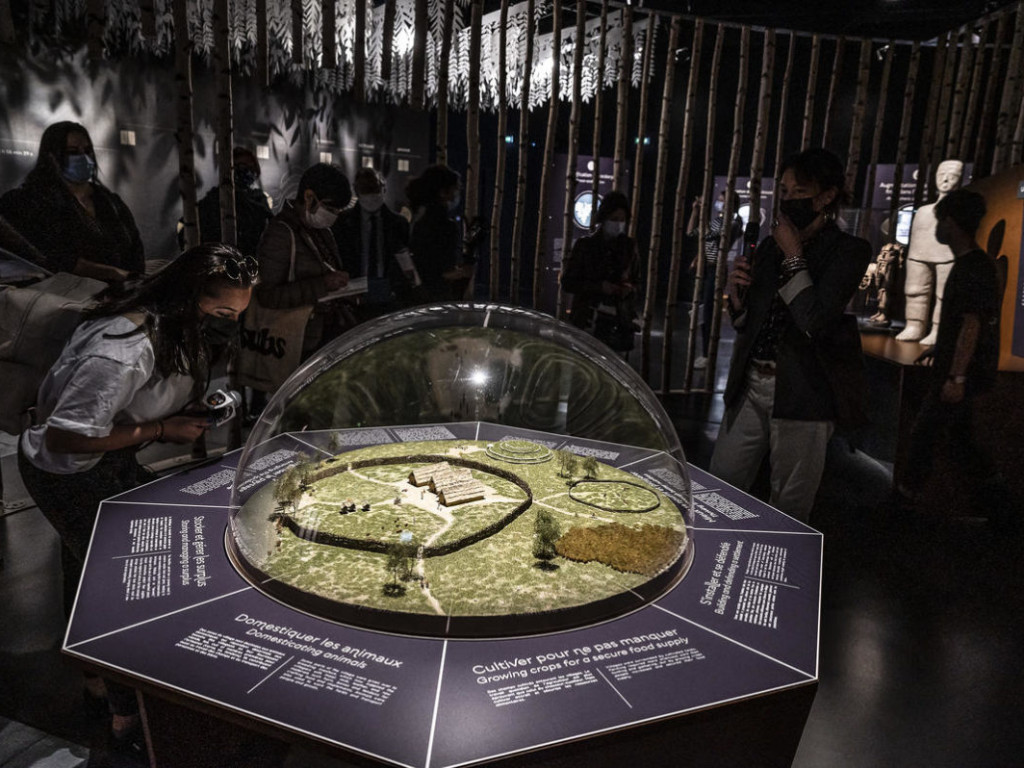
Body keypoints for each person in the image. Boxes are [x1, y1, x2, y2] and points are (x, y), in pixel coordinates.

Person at [16, 243, 254, 749]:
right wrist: (160, 429)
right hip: (65, 470)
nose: (228, 324)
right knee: (116, 583)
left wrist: (184, 411)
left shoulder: (173, 329)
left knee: (82, 563)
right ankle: (127, 717)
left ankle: (93, 680)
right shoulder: (120, 349)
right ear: (188, 298)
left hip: (106, 456)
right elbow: (66, 437)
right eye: (223, 313)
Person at [708, 148, 871, 521]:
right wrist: (736, 299)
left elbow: (813, 320)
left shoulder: (848, 251)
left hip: (804, 391)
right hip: (752, 384)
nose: (788, 200)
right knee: (720, 485)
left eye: (799, 191)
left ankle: (774, 572)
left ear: (827, 196)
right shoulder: (769, 245)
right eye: (783, 191)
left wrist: (794, 255)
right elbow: (751, 322)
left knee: (790, 504)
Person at [899, 189, 1010, 522]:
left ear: (952, 221)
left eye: (940, 220)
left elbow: (973, 324)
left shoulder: (972, 268)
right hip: (958, 370)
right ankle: (1000, 507)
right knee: (961, 442)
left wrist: (956, 376)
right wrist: (941, 347)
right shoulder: (972, 265)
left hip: (961, 376)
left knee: (925, 437)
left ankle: (903, 504)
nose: (936, 228)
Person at [0, 121, 144, 281]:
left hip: (124, 294)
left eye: (87, 151)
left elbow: (134, 249)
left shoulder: (110, 202)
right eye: (72, 152)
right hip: (65, 298)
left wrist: (134, 281)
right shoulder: (27, 202)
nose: (83, 157)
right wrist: (111, 273)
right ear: (52, 156)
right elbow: (52, 258)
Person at [254, 162, 353, 361]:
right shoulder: (281, 232)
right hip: (295, 340)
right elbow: (266, 295)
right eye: (330, 207)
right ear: (309, 197)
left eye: (338, 211)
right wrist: (323, 285)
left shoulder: (322, 231)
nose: (334, 215)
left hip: (322, 336)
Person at [561, 190, 641, 352]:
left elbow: (637, 281)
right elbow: (568, 282)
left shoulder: (629, 246)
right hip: (587, 320)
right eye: (614, 219)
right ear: (603, 218)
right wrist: (599, 287)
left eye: (622, 220)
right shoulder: (585, 246)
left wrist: (628, 289)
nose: (618, 224)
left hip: (618, 322)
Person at [895, 159, 963, 345]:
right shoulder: (924, 211)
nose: (946, 180)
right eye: (941, 175)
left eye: (953, 176)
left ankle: (938, 330)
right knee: (915, 291)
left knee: (944, 294)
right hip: (918, 255)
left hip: (947, 256)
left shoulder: (958, 211)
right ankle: (914, 326)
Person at [333, 167, 415, 320]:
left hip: (390, 299)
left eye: (374, 188)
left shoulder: (399, 223)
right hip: (352, 298)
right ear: (356, 191)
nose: (370, 194)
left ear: (383, 189)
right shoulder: (342, 222)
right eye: (365, 189)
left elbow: (405, 260)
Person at [686, 190, 743, 368]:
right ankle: (704, 352)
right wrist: (696, 212)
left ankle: (707, 353)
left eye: (722, 200)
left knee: (709, 313)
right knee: (702, 311)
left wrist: (702, 213)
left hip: (716, 270)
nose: (719, 202)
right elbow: (692, 234)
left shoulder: (733, 223)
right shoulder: (718, 221)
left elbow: (710, 237)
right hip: (706, 269)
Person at [185, 146, 274, 257]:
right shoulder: (214, 199)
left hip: (251, 263)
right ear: (231, 169)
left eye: (250, 167)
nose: (246, 171)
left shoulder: (259, 200)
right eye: (241, 166)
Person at [406, 164, 464, 301]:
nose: (456, 195)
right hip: (436, 298)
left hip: (415, 295)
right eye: (454, 190)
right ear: (443, 192)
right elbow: (443, 271)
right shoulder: (446, 226)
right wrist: (464, 272)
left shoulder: (417, 218)